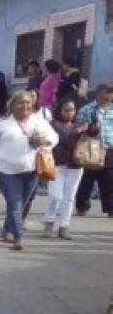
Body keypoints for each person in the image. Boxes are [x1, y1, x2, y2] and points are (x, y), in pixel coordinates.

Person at [0, 90, 58, 250]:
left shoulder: (38, 121)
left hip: (32, 170)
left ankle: (7, 230)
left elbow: (54, 138)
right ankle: (19, 236)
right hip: (7, 171)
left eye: (28, 102)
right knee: (14, 203)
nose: (25, 106)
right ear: (12, 105)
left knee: (22, 203)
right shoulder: (1, 124)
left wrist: (44, 140)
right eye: (20, 102)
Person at [43, 99, 87, 239]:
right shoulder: (54, 124)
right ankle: (49, 222)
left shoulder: (79, 124)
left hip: (76, 165)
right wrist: (79, 130)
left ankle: (64, 226)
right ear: (60, 111)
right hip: (57, 164)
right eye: (66, 110)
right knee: (55, 196)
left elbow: (92, 134)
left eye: (72, 110)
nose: (69, 113)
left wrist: (92, 127)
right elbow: (64, 138)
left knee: (69, 197)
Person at [74, 84, 113, 217]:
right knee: (87, 178)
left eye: (111, 92)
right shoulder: (88, 109)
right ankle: (82, 205)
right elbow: (78, 127)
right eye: (107, 92)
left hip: (109, 148)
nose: (110, 95)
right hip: (92, 146)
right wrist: (88, 128)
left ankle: (110, 208)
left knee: (109, 179)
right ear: (99, 93)